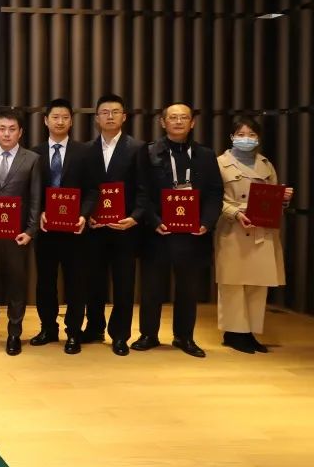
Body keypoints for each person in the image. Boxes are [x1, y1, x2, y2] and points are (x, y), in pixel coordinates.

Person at [132, 102, 224, 357]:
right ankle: (148, 335)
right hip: (157, 232)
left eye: (184, 117)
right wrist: (154, 220)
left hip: (193, 234)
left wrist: (206, 222)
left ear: (192, 123)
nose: (179, 121)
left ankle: (184, 337)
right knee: (151, 288)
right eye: (173, 117)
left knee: (188, 289)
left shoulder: (205, 155)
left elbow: (215, 192)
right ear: (163, 122)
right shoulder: (149, 152)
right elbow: (141, 190)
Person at [214, 116, 293, 353]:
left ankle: (249, 332)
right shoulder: (219, 163)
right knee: (232, 283)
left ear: (258, 138)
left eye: (251, 135)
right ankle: (234, 333)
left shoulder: (266, 164)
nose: (246, 139)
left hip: (262, 228)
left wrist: (283, 199)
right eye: (241, 134)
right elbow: (212, 198)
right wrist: (234, 213)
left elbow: (272, 198)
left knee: (258, 283)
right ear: (232, 137)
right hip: (233, 228)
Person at [30, 98, 98, 354]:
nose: (60, 122)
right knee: (45, 282)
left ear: (71, 121)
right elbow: (30, 192)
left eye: (65, 117)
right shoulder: (34, 153)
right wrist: (39, 213)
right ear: (45, 120)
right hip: (46, 230)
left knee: (75, 283)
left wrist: (83, 215)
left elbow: (93, 190)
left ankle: (73, 332)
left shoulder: (84, 152)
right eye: (55, 117)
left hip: (75, 231)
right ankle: (48, 328)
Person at [83, 94, 146, 356]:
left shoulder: (137, 148)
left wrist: (135, 217)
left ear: (124, 116)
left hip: (125, 228)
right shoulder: (86, 149)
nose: (110, 116)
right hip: (95, 229)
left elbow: (144, 188)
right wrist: (86, 214)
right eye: (104, 112)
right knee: (93, 281)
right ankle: (94, 327)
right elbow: (84, 188)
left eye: (115, 112)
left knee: (123, 284)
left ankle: (120, 335)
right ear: (97, 118)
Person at [0, 111, 41, 355]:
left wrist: (30, 230)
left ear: (20, 132)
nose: (6, 133)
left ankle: (14, 332)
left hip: (18, 236)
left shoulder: (32, 159)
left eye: (12, 129)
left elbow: (35, 198)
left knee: (16, 284)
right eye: (2, 128)